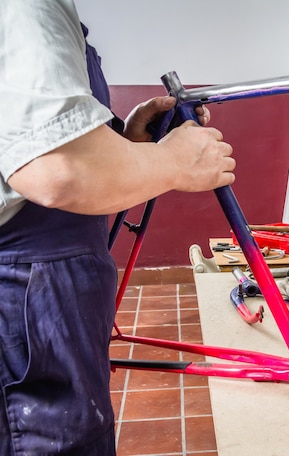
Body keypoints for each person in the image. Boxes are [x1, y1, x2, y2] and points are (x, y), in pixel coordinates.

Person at [0, 1, 235, 454]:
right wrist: (171, 162)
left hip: (41, 271)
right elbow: (57, 169)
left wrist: (128, 142)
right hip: (29, 282)